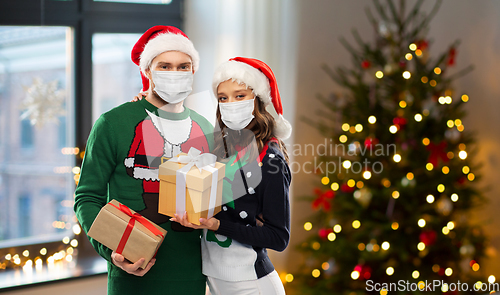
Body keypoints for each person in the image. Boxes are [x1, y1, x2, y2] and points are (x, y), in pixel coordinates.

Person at [74, 25, 213, 295]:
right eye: (165, 66)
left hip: (191, 279)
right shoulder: (113, 123)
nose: (175, 74)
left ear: (193, 71)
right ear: (147, 71)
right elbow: (87, 197)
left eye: (183, 66)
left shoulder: (205, 127)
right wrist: (112, 249)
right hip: (132, 282)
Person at [172, 57, 292, 295]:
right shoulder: (219, 148)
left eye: (240, 96)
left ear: (258, 100)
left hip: (251, 283)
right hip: (215, 279)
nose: (230, 103)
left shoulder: (270, 161)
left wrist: (218, 225)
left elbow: (279, 237)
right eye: (223, 98)